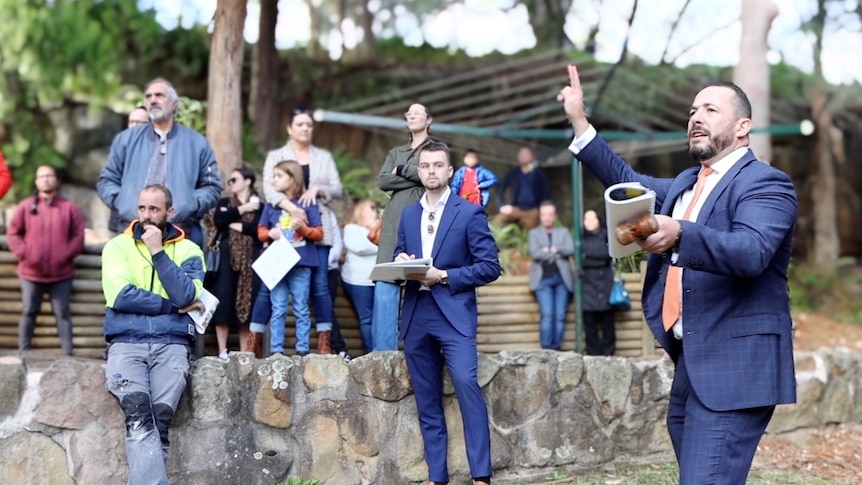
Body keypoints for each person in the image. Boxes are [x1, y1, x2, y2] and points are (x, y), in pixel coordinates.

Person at [558, 65, 797, 484]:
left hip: (736, 367)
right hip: (693, 362)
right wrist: (580, 120)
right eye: (691, 111)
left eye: (709, 109)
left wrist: (680, 233)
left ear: (743, 127)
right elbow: (626, 181)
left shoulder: (767, 183)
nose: (695, 117)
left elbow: (751, 251)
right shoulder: (686, 184)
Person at [393, 141, 500, 485]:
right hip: (416, 313)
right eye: (425, 166)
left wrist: (446, 276)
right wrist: (401, 261)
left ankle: (481, 476)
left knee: (468, 386)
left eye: (438, 165)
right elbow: (399, 251)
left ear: (449, 170)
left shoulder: (469, 213)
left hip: (454, 314)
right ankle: (437, 477)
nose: (431, 171)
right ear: (419, 170)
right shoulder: (408, 214)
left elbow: (490, 267)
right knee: (426, 399)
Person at [101, 184, 205, 484]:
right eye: (143, 208)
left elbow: (186, 294)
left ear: (169, 212)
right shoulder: (116, 246)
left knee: (157, 422)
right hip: (126, 344)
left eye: (155, 209)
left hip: (171, 345)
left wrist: (158, 252)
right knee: (138, 416)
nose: (147, 215)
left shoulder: (190, 250)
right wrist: (172, 308)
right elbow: (120, 296)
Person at [97, 77, 223, 247]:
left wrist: (189, 203)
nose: (153, 100)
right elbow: (107, 180)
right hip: (131, 229)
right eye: (148, 96)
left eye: (159, 95)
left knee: (172, 274)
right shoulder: (126, 140)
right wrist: (123, 201)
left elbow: (212, 186)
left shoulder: (197, 142)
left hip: (178, 232)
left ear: (175, 104)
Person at [261, 107, 343, 354]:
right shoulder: (277, 155)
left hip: (318, 227)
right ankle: (268, 345)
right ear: (289, 128)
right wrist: (293, 209)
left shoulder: (323, 157)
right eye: (300, 124)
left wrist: (318, 189)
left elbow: (337, 189)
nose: (305, 128)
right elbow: (269, 188)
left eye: (309, 124)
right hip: (283, 229)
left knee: (319, 287)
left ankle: (323, 341)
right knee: (275, 292)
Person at [373, 102, 437, 351]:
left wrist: (400, 172)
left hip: (423, 219)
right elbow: (382, 180)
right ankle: (382, 353)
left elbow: (431, 175)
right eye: (409, 113)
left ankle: (422, 350)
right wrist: (412, 173)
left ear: (428, 119)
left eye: (417, 112)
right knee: (385, 281)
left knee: (423, 280)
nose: (412, 116)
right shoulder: (396, 151)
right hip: (391, 223)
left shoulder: (435, 149)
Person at [7, 165, 85, 356]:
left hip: (62, 273)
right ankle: (23, 353)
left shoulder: (69, 208)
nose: (46, 179)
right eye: (41, 176)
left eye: (49, 175)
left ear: (57, 180)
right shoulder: (26, 207)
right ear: (36, 181)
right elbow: (13, 233)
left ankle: (68, 355)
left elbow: (78, 235)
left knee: (63, 313)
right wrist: (26, 253)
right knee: (28, 311)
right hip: (30, 273)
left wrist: (66, 253)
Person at [258, 160, 323, 356]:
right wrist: (270, 233)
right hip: (277, 265)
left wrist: (302, 229)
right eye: (274, 176)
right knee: (278, 308)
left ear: (292, 178)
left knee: (301, 308)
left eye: (279, 176)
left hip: (301, 264)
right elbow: (260, 231)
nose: (274, 180)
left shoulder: (308, 204)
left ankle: (302, 350)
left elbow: (319, 234)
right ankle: (276, 351)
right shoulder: (271, 205)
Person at [207, 167, 263, 360]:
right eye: (229, 181)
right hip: (224, 260)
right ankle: (222, 350)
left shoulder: (259, 206)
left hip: (251, 262)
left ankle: (245, 352)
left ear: (247, 181)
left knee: (247, 304)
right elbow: (219, 219)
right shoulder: (224, 202)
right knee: (223, 302)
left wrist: (234, 222)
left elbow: (258, 229)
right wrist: (242, 210)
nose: (231, 184)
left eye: (234, 180)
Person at [527, 201, 574, 351]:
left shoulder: (564, 232)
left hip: (562, 280)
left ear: (555, 216)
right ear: (540, 217)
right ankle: (547, 350)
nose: (547, 218)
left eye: (550, 214)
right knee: (547, 315)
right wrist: (555, 253)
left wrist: (549, 249)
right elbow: (535, 253)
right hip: (543, 280)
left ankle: (557, 349)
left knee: (560, 315)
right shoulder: (534, 233)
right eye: (544, 215)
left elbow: (570, 249)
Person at [341, 199, 380, 353]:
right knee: (367, 319)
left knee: (380, 319)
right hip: (357, 281)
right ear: (360, 210)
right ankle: (371, 353)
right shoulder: (351, 229)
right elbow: (360, 247)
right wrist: (381, 244)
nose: (374, 210)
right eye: (370, 207)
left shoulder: (380, 230)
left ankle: (380, 351)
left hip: (377, 280)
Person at [579, 209, 615, 356]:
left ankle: (609, 353)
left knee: (607, 322)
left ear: (599, 220)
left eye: (592, 218)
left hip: (605, 282)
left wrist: (588, 257)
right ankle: (593, 354)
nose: (589, 222)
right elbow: (579, 258)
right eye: (586, 219)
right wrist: (598, 260)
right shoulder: (579, 238)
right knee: (590, 323)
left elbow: (608, 254)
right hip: (587, 283)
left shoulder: (606, 236)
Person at [492, 145, 550, 231]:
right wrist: (501, 206)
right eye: (521, 155)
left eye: (526, 154)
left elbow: (546, 193)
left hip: (532, 210)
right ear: (518, 157)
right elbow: (500, 189)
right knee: (496, 223)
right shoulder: (513, 173)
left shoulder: (539, 175)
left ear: (532, 157)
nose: (523, 157)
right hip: (515, 208)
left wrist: (542, 209)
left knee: (530, 234)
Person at [325, 209, 352, 362]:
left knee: (327, 308)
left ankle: (340, 349)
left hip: (329, 269)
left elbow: (337, 243)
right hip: (307, 268)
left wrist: (325, 261)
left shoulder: (329, 214)